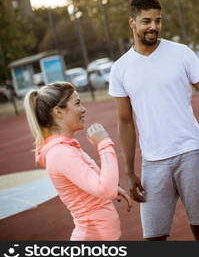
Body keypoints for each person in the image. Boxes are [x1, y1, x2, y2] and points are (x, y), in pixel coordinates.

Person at [109, 0, 199, 241]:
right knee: (153, 236)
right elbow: (125, 121)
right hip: (153, 161)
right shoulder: (120, 68)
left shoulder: (181, 53)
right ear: (131, 22)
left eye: (158, 20)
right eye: (146, 21)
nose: (153, 26)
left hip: (191, 153)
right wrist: (129, 171)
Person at [23, 82, 132, 241]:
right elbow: (105, 190)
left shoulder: (65, 148)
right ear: (58, 112)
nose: (83, 109)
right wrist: (104, 143)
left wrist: (112, 186)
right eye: (77, 103)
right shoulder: (61, 153)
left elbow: (95, 185)